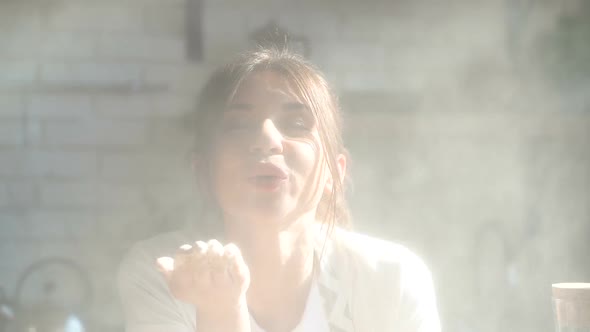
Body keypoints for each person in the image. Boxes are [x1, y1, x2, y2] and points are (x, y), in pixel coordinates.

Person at [118, 47, 441, 332]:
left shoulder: (390, 280)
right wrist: (219, 311)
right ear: (203, 172)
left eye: (297, 124)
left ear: (334, 172)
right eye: (239, 125)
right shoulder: (167, 274)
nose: (267, 140)